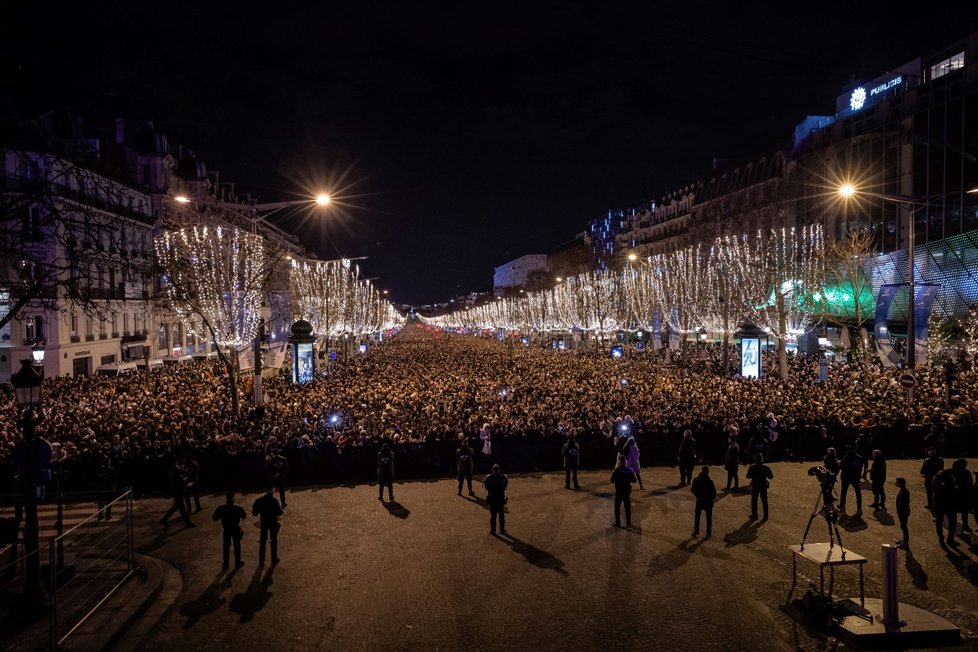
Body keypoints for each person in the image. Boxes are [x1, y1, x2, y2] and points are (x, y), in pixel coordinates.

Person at [212, 492, 246, 570]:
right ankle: (237, 563)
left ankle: (226, 564)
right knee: (237, 546)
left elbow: (214, 518)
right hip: (235, 529)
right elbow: (244, 515)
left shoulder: (221, 508)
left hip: (226, 530)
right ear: (233, 497)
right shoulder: (238, 508)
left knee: (226, 547)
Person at [251, 488, 283, 566]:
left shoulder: (260, 500)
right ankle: (274, 559)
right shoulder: (274, 501)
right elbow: (280, 512)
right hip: (272, 523)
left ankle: (261, 561)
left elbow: (254, 513)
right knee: (273, 541)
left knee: (262, 542)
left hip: (264, 523)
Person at [160, 460, 194, 528]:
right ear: (177, 465)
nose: (182, 467)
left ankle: (163, 520)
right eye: (181, 465)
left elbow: (184, 477)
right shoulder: (174, 473)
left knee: (176, 508)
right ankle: (188, 523)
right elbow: (177, 484)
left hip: (178, 492)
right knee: (182, 509)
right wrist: (186, 485)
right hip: (177, 493)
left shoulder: (179, 472)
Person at [932, 467, 958, 546]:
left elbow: (934, 490)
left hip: (939, 503)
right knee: (952, 522)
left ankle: (940, 537)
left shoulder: (935, 478)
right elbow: (952, 491)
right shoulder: (950, 479)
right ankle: (950, 539)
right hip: (949, 504)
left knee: (939, 521)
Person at [610, 453, 637, 528]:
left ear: (619, 461)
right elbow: (634, 480)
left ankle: (618, 522)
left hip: (619, 490)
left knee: (617, 506)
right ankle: (628, 523)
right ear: (625, 461)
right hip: (626, 491)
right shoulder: (629, 470)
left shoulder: (617, 470)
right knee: (627, 507)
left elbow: (612, 480)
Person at [690, 465, 717, 537]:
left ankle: (696, 530)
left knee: (697, 516)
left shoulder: (696, 480)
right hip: (708, 502)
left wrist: (698, 496)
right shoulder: (710, 482)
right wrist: (711, 498)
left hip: (699, 501)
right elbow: (714, 493)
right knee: (708, 518)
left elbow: (692, 489)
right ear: (708, 472)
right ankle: (708, 533)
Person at [745, 453, 773, 520]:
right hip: (763, 485)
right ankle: (765, 516)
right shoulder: (765, 467)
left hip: (755, 485)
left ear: (755, 459)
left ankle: (755, 515)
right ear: (762, 459)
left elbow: (748, 476)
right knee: (764, 501)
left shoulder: (752, 467)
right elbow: (771, 476)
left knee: (754, 501)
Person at [484, 463, 509, 535]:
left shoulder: (489, 478)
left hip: (492, 499)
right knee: (501, 516)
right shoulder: (503, 478)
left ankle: (493, 530)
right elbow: (505, 487)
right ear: (499, 470)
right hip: (500, 500)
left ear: (492, 470)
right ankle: (502, 530)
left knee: (493, 516)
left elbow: (486, 488)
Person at [950, 458, 973, 533]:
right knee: (961, 512)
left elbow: (970, 482)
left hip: (960, 495)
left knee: (960, 512)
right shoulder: (955, 472)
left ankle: (963, 526)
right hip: (959, 495)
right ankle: (963, 525)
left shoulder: (954, 471)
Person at [838, 446, 863, 512]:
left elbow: (841, 467)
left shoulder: (845, 457)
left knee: (844, 491)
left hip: (846, 477)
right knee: (858, 492)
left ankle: (842, 505)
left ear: (846, 451)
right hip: (855, 477)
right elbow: (859, 467)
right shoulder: (858, 457)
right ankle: (859, 507)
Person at [894, 477, 911, 548]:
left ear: (900, 484)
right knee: (903, 526)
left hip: (903, 512)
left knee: (904, 526)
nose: (895, 483)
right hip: (903, 511)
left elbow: (902, 503)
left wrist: (899, 511)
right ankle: (904, 540)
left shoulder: (904, 492)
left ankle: (905, 542)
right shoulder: (903, 489)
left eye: (897, 482)